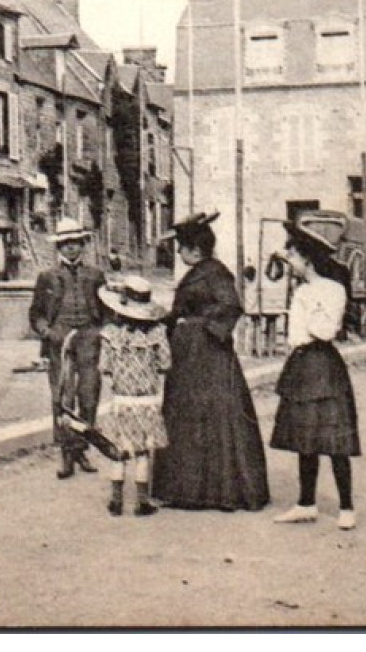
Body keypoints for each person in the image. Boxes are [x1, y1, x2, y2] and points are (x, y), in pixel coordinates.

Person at [150, 212, 270, 512]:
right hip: (189, 356)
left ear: (196, 249)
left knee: (212, 414)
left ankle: (216, 492)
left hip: (209, 356)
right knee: (188, 414)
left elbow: (230, 306)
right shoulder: (198, 273)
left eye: (182, 247)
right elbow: (182, 312)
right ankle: (187, 490)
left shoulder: (215, 273)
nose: (178, 253)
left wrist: (195, 326)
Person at [269, 219, 362, 530]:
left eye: (293, 256)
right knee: (305, 438)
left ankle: (346, 507)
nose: (290, 262)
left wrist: (309, 304)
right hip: (301, 363)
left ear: (307, 259)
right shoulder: (303, 289)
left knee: (335, 439)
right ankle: (305, 502)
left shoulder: (331, 289)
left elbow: (324, 330)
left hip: (322, 364)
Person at [29, 218, 107, 479]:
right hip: (59, 339)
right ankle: (66, 454)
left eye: (76, 243)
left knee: (89, 395)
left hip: (88, 338)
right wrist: (47, 332)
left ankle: (81, 449)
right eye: (66, 244)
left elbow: (107, 309)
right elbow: (36, 313)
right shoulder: (47, 277)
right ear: (59, 247)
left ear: (82, 245)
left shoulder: (95, 275)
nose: (71, 248)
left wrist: (102, 331)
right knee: (63, 397)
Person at [96, 275, 172, 517]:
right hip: (146, 401)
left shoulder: (110, 334)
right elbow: (165, 364)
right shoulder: (157, 333)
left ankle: (116, 500)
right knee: (142, 453)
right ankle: (142, 502)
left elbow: (104, 367)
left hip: (120, 400)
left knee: (118, 452)